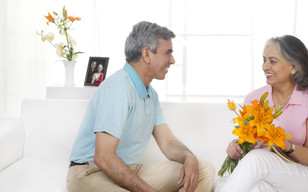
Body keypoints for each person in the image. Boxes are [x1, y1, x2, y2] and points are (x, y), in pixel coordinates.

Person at [67, 21, 215, 192]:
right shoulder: (118, 88)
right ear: (146, 54)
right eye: (168, 53)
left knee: (202, 170)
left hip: (130, 169)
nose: (172, 61)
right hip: (91, 173)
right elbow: (104, 157)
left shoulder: (151, 94)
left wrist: (189, 157)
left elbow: (168, 143)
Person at [221, 35, 308, 192]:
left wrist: (282, 143)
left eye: (272, 61)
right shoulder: (254, 98)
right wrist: (239, 148)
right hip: (271, 171)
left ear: (293, 66)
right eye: (264, 60)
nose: (265, 66)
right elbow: (250, 145)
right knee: (255, 186)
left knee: (256, 159)